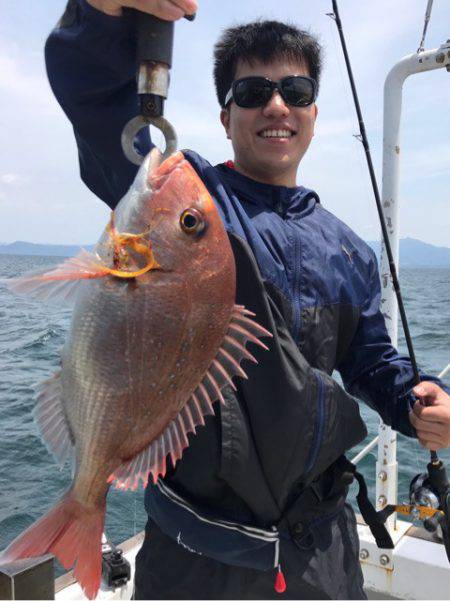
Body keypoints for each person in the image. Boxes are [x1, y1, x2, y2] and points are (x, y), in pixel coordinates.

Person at [45, 1, 450, 598]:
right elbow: (99, 106)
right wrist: (99, 15)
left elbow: (368, 359)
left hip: (321, 554)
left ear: (314, 112)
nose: (276, 105)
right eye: (255, 90)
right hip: (196, 558)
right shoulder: (191, 201)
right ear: (225, 114)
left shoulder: (347, 249)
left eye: (295, 88)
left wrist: (414, 400)